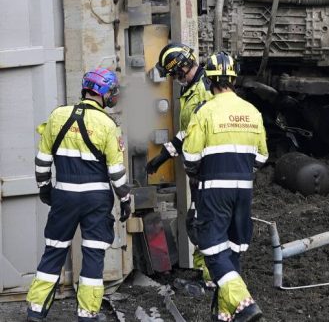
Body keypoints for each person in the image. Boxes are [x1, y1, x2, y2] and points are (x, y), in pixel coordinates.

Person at [26, 69, 131, 322]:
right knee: (93, 255)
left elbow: (42, 160)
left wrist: (44, 188)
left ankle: (36, 310)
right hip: (96, 201)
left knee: (54, 251)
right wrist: (125, 199)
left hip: (64, 197)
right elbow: (116, 171)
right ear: (105, 94)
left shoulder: (57, 116)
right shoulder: (108, 125)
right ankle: (87, 313)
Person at [183, 51, 268, 322]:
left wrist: (198, 172)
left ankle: (245, 305)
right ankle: (224, 313)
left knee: (210, 246)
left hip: (214, 189)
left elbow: (191, 157)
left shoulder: (205, 111)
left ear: (208, 81)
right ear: (234, 79)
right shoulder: (252, 111)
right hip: (243, 189)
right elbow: (262, 157)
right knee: (232, 249)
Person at [146, 42, 214, 287]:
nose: (174, 79)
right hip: (199, 168)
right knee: (198, 219)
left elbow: (193, 132)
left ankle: (212, 278)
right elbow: (188, 131)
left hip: (208, 167)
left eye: (174, 74)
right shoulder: (195, 88)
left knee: (203, 220)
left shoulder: (204, 90)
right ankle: (204, 271)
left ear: (183, 66)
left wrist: (164, 155)